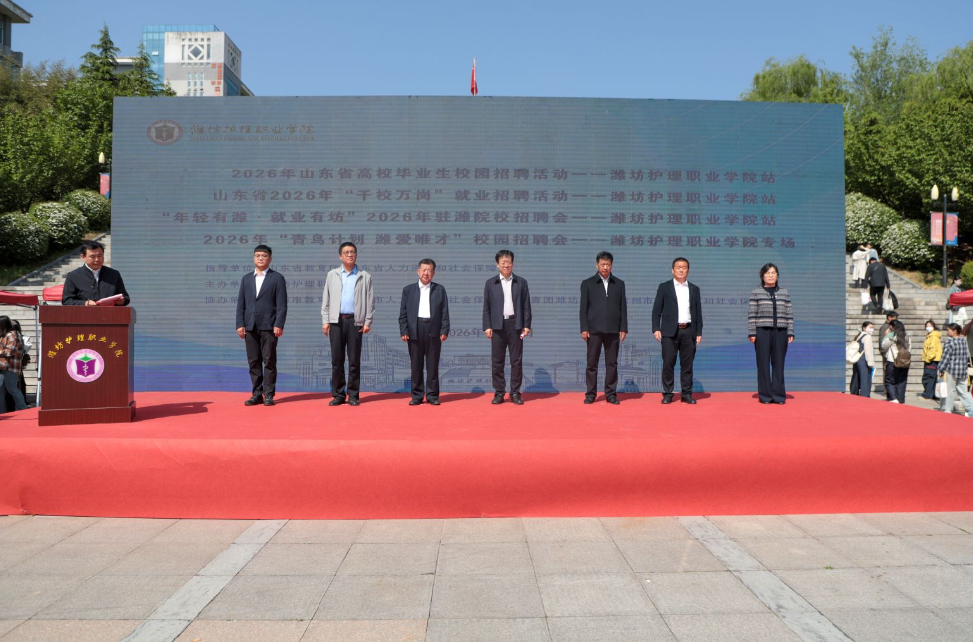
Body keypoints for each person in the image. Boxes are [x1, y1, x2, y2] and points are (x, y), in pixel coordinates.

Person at [322, 242, 375, 407]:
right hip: (336, 321)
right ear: (340, 256)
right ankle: (338, 394)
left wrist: (367, 321)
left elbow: (370, 301)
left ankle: (353, 395)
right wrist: (325, 320)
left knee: (354, 360)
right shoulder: (332, 275)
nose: (350, 254)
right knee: (337, 360)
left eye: (352, 252)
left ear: (356, 255)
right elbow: (326, 299)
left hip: (355, 322)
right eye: (346, 252)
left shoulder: (364, 276)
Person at [235, 245, 288, 406]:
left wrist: (279, 324)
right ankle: (257, 394)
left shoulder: (277, 278)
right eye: (257, 255)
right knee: (253, 361)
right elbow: (241, 304)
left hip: (269, 326)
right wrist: (240, 324)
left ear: (270, 259)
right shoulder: (246, 279)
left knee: (269, 360)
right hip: (250, 326)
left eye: (264, 256)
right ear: (253, 258)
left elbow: (282, 305)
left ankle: (269, 394)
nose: (260, 258)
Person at [482, 249, 532, 405]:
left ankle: (515, 392)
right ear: (497, 264)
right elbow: (486, 307)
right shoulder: (491, 283)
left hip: (515, 325)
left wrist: (526, 325)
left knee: (516, 361)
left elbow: (526, 305)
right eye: (503, 262)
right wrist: (487, 326)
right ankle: (499, 392)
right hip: (497, 326)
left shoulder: (521, 282)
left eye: (509, 262)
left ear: (513, 263)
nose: (506, 265)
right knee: (497, 361)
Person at [652, 257, 703, 404]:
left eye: (684, 267)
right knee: (668, 363)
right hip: (669, 332)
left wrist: (698, 331)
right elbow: (656, 310)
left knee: (687, 365)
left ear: (688, 270)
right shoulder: (664, 287)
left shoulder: (694, 289)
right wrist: (656, 328)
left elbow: (698, 312)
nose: (681, 270)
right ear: (672, 270)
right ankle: (668, 393)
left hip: (688, 331)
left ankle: (686, 394)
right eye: (678, 267)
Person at [579, 251, 628, 404]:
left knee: (612, 363)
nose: (605, 267)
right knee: (592, 363)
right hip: (594, 330)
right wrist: (584, 328)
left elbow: (623, 307)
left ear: (611, 265)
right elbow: (583, 309)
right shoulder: (587, 283)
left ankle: (611, 394)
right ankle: (590, 394)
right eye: (602, 264)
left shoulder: (619, 284)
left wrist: (623, 328)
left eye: (608, 264)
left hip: (613, 330)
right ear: (597, 265)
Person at [399, 259, 449, 405]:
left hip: (433, 329)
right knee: (416, 365)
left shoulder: (439, 290)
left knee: (432, 365)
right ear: (418, 271)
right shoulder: (408, 290)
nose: (426, 273)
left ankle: (432, 396)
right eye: (424, 270)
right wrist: (404, 330)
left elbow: (445, 312)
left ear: (433, 273)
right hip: (415, 329)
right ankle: (417, 396)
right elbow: (403, 313)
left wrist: (444, 329)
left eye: (429, 270)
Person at [747, 263, 794, 404]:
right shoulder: (756, 292)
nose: (771, 275)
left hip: (781, 331)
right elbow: (752, 314)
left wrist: (790, 331)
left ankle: (778, 395)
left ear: (777, 275)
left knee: (779, 363)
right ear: (762, 276)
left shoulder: (784, 292)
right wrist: (752, 332)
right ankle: (765, 396)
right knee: (763, 364)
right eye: (768, 273)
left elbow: (789, 313)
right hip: (762, 331)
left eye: (773, 273)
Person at [61, 240, 130, 306]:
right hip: (85, 313)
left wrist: (122, 301)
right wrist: (84, 303)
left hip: (109, 313)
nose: (97, 260)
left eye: (100, 256)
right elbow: (66, 300)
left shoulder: (114, 274)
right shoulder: (73, 276)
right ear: (83, 257)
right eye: (92, 257)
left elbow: (125, 297)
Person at [938, 323, 973, 416]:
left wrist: (941, 369)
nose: (947, 332)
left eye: (948, 330)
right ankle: (971, 409)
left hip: (952, 370)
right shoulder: (963, 341)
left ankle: (947, 409)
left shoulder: (950, 342)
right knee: (964, 392)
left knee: (950, 391)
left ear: (954, 331)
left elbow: (945, 357)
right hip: (963, 370)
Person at [0, 316, 27, 413]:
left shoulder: (11, 335)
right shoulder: (5, 335)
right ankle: (2, 412)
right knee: (1, 390)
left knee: (12, 389)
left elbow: (9, 351)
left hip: (10, 367)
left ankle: (22, 409)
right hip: (4, 367)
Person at [881, 319, 911, 404]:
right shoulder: (906, 336)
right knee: (901, 381)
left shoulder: (891, 336)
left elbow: (884, 346)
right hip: (904, 362)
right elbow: (909, 348)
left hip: (893, 361)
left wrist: (886, 335)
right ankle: (900, 399)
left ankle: (893, 398)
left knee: (889, 380)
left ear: (891, 326)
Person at [850, 321, 875, 397]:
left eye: (873, 327)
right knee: (865, 380)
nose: (872, 329)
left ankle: (854, 393)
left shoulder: (859, 336)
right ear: (864, 328)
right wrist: (870, 363)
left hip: (857, 360)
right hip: (864, 360)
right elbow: (868, 351)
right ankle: (865, 396)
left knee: (856, 378)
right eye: (870, 327)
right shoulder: (867, 336)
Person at [920, 320, 943, 400]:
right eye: (927, 326)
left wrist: (928, 358)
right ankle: (933, 394)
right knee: (932, 378)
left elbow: (932, 349)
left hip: (931, 360)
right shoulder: (930, 336)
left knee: (928, 378)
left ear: (933, 326)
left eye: (930, 326)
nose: (928, 327)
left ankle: (927, 395)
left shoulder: (933, 336)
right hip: (932, 359)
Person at [878, 310, 899, 399]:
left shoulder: (893, 326)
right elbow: (882, 341)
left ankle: (892, 391)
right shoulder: (885, 327)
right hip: (888, 354)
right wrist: (884, 354)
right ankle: (887, 391)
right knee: (888, 374)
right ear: (889, 318)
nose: (896, 320)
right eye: (894, 318)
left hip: (894, 354)